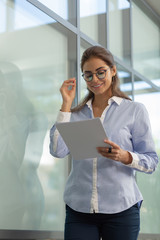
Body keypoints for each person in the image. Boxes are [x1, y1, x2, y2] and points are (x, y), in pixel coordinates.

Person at [50, 46, 159, 240]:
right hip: (79, 209)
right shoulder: (74, 114)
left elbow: (151, 162)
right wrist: (66, 104)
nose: (95, 80)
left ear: (113, 70)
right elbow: (57, 151)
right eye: (88, 75)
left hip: (122, 209)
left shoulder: (134, 110)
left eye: (101, 72)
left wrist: (125, 156)